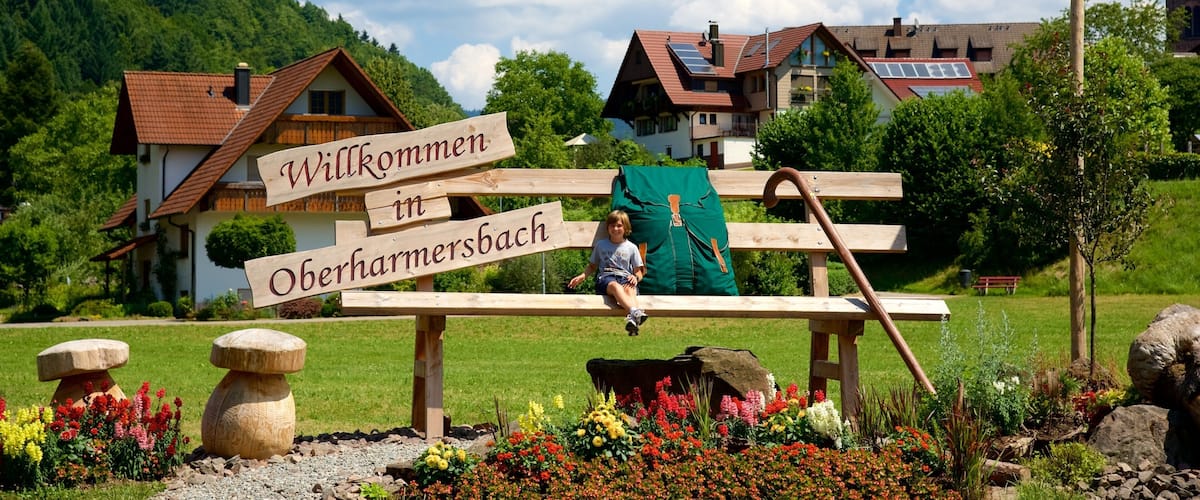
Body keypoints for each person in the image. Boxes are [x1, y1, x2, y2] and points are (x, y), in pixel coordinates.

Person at [569, 210, 648, 335]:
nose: (615, 228)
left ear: (626, 228)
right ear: (608, 227)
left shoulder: (631, 247)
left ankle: (633, 321)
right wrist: (582, 276)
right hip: (606, 279)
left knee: (630, 288)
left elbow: (639, 272)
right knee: (615, 286)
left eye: (619, 225)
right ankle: (635, 311)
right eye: (612, 225)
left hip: (625, 278)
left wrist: (635, 278)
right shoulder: (601, 245)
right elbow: (592, 265)